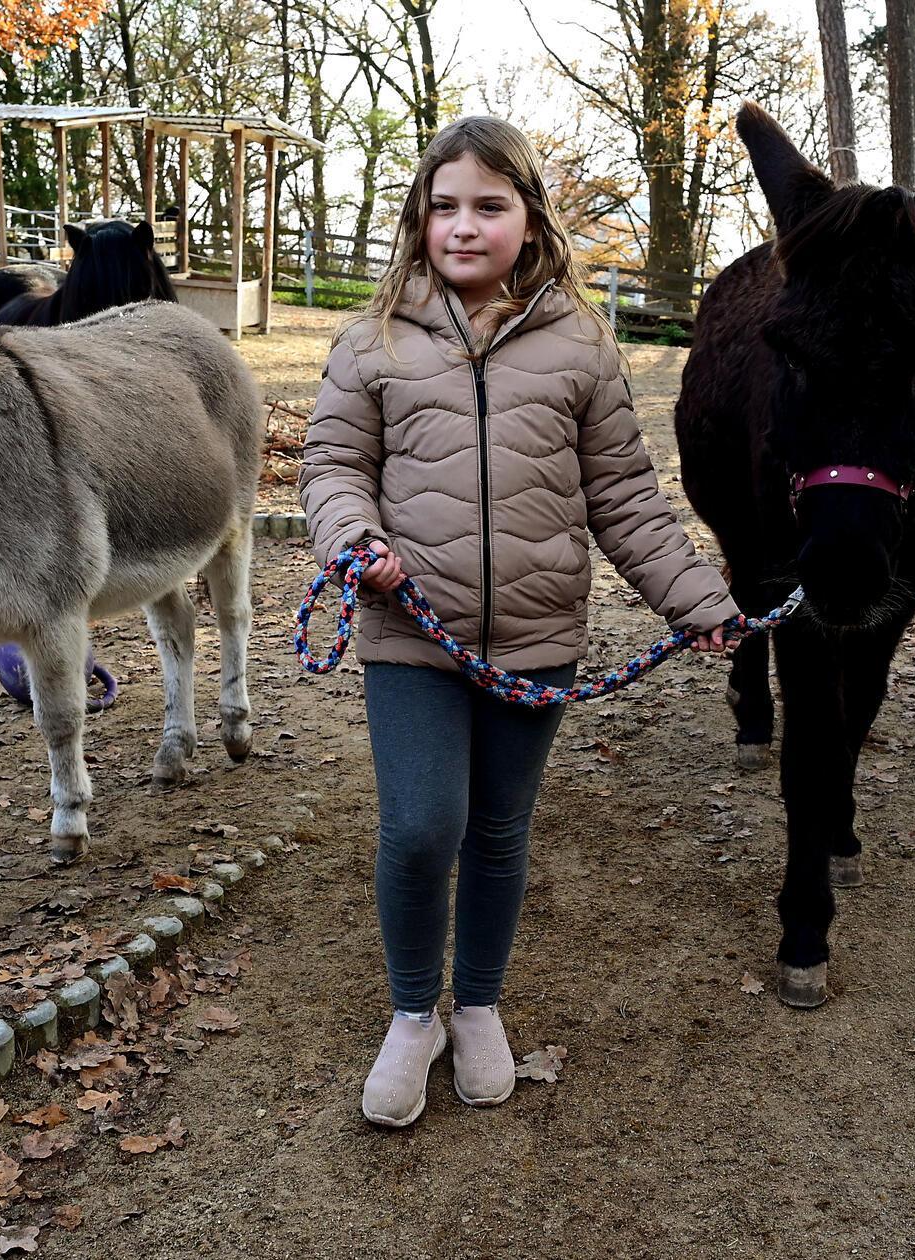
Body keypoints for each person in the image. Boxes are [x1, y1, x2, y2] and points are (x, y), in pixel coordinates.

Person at [299, 115, 743, 1129]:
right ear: (417, 219)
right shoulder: (370, 341)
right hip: (410, 631)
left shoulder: (579, 346)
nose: (463, 226)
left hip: (538, 639)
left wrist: (695, 600)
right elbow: (330, 466)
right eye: (443, 206)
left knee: (497, 831)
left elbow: (625, 497)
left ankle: (479, 1005)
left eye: (488, 206)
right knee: (420, 828)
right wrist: (352, 540)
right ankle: (413, 1013)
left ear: (528, 218)